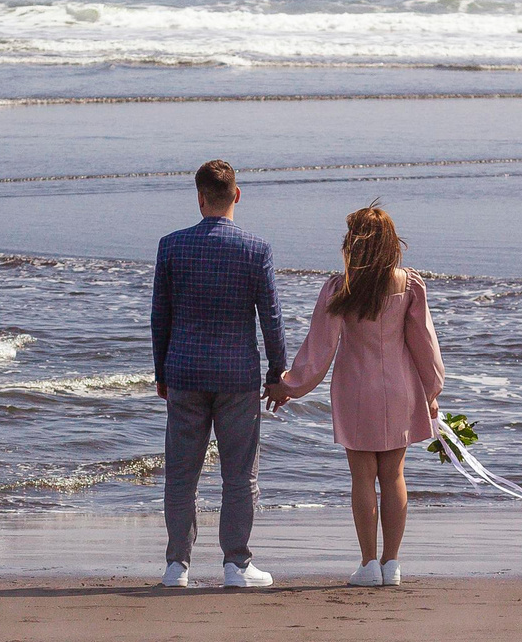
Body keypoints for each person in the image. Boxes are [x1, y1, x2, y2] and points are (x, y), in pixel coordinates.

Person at [268, 205, 444, 587]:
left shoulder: (341, 287)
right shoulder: (409, 284)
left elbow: (320, 349)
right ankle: (391, 564)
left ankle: (368, 564)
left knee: (363, 477)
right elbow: (425, 345)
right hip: (399, 388)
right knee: (394, 475)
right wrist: (431, 391)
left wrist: (289, 386)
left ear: (354, 243)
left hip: (355, 389)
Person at [151, 159, 287, 589]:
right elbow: (271, 317)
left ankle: (177, 566)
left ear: (200, 198)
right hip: (237, 375)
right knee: (240, 475)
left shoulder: (171, 246)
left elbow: (160, 316)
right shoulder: (256, 248)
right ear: (237, 195)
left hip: (185, 371)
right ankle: (236, 564)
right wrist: (277, 372)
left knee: (181, 475)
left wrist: (161, 371)